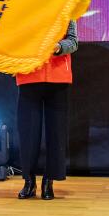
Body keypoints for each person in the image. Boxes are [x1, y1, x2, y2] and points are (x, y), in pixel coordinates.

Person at [14, 20, 78, 201]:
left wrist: (58, 47)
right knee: (28, 133)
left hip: (58, 77)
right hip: (29, 74)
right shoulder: (23, 11)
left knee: (56, 133)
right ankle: (29, 181)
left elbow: (73, 41)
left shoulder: (67, 9)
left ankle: (49, 181)